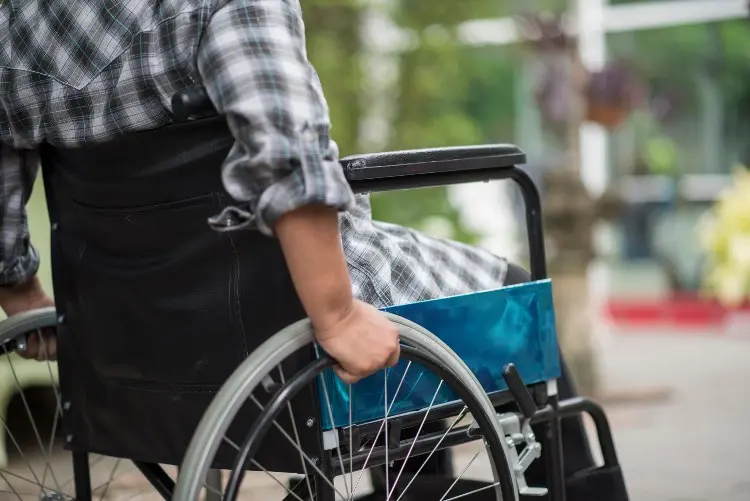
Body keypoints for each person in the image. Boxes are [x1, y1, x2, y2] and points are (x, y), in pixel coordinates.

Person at [0, 0, 624, 498]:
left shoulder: (21, 19)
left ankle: (420, 481)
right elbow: (286, 155)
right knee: (510, 293)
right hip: (284, 317)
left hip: (136, 347)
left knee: (413, 333)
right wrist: (338, 315)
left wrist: (19, 289)